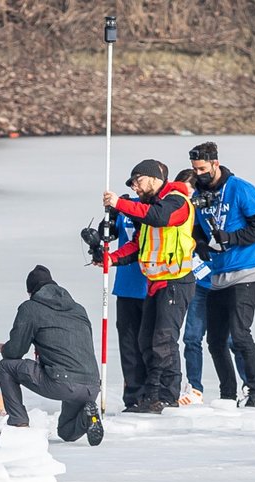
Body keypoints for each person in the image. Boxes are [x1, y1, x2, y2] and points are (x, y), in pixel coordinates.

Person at [101, 159, 196, 414]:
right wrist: (111, 259)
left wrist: (120, 204)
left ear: (154, 178)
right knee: (145, 340)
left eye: (138, 181)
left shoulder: (176, 201)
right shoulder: (149, 206)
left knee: (163, 340)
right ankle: (146, 396)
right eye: (132, 184)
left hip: (177, 281)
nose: (136, 188)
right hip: (156, 282)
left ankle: (162, 396)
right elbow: (137, 244)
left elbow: (159, 218)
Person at [189, 142, 255, 409]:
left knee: (240, 334)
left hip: (246, 272)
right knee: (215, 340)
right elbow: (197, 229)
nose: (198, 173)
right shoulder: (199, 195)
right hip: (216, 276)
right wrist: (200, 244)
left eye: (202, 168)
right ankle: (227, 394)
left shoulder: (240, 188)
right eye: (194, 169)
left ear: (215, 163)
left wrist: (231, 238)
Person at [0, 265, 104, 445]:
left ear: (30, 291)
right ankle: (88, 414)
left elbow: (16, 351)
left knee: (5, 367)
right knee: (66, 432)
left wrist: (4, 349)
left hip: (62, 382)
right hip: (91, 386)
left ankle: (18, 424)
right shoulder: (79, 309)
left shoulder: (30, 307)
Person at [173, 168, 246, 406]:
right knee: (192, 337)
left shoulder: (211, 210)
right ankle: (194, 388)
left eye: (190, 189)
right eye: (182, 190)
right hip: (196, 284)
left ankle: (246, 386)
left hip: (222, 281)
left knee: (232, 340)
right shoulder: (177, 213)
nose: (187, 195)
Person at [90, 189, 150, 412]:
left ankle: (152, 393)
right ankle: (133, 395)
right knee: (128, 344)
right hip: (125, 286)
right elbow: (110, 234)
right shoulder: (123, 206)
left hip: (150, 284)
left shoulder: (153, 207)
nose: (137, 188)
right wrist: (105, 225)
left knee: (150, 343)